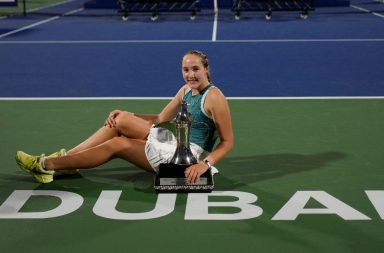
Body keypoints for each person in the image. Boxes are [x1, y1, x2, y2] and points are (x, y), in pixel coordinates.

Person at [15, 50, 234, 185]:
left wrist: (204, 164)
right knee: (119, 121)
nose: (190, 75)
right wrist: (129, 114)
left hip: (189, 156)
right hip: (175, 141)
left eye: (195, 69)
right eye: (186, 70)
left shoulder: (214, 97)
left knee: (117, 144)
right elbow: (159, 118)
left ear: (206, 69)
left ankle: (45, 164)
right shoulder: (185, 90)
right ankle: (68, 160)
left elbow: (227, 142)